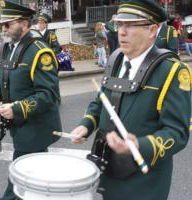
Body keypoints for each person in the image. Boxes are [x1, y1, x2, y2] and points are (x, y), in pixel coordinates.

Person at [70, 0, 191, 200]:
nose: (122, 32)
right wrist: (86, 125)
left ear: (152, 30)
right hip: (107, 169)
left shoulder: (172, 71)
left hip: (143, 182)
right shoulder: (115, 59)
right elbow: (101, 102)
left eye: (130, 25)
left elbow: (177, 133)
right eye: (119, 24)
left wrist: (139, 145)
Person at [0, 1, 61, 199]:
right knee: (34, 175)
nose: (3, 28)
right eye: (2, 24)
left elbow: (49, 95)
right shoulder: (9, 48)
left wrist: (18, 108)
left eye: (8, 24)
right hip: (20, 123)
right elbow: (5, 81)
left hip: (35, 126)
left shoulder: (40, 52)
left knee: (22, 171)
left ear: (24, 24)